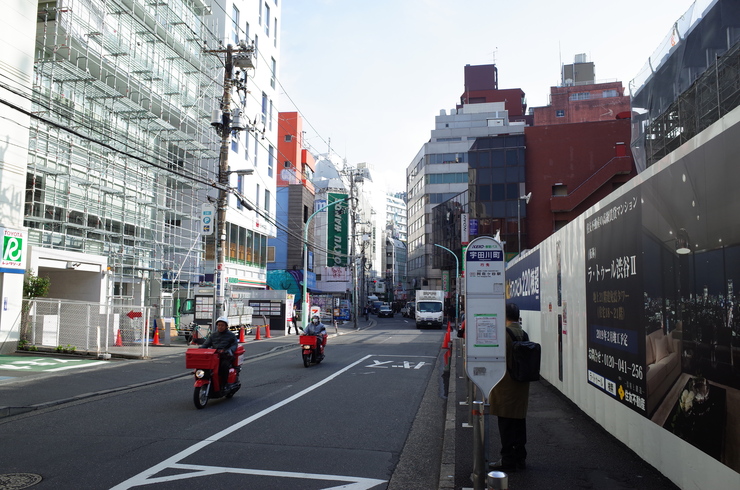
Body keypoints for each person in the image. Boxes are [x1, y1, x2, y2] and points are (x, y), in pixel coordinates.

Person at [488, 302, 530, 472]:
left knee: (506, 426)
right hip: (521, 387)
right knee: (519, 424)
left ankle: (507, 460)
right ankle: (520, 458)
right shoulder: (523, 333)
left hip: (505, 387)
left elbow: (494, 358)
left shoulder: (503, 334)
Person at [200, 316, 238, 390]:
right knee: (204, 367)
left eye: (222, 325)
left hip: (226, 356)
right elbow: (206, 344)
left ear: (226, 326)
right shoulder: (213, 335)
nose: (220, 327)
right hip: (214, 356)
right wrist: (200, 349)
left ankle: (225, 384)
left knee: (224, 366)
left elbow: (234, 345)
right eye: (219, 325)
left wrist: (229, 351)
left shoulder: (231, 335)